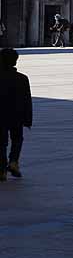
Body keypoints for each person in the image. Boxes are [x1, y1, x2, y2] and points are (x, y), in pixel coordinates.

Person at [0, 48, 31, 181]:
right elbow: (27, 100)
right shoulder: (22, 78)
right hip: (17, 115)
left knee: (1, 143)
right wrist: (28, 119)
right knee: (17, 139)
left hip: (1, 115)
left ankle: (1, 169)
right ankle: (13, 162)